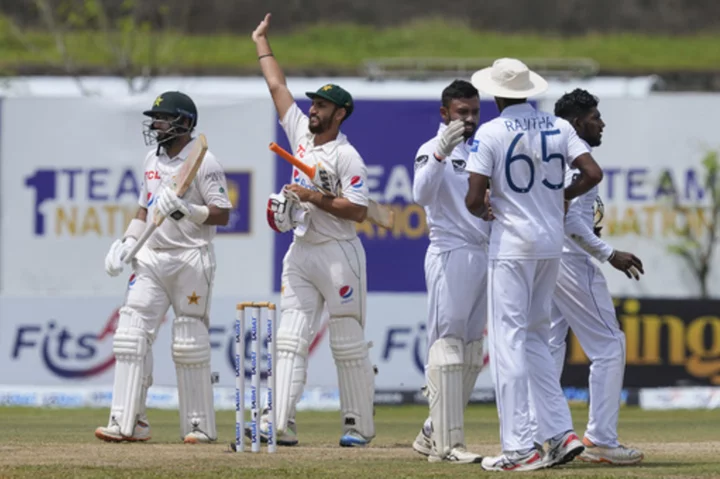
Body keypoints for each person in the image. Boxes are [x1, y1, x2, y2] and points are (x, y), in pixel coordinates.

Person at [464, 58, 604, 472]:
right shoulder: (559, 127)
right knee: (536, 340)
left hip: (512, 246)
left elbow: (473, 199)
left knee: (507, 343)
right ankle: (560, 433)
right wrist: (562, 197)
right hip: (549, 244)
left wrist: (488, 209)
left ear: (497, 93)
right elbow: (592, 172)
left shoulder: (490, 131)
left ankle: (519, 448)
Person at [251, 13, 376, 448]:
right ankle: (278, 423)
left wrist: (313, 197)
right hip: (301, 250)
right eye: (315, 105)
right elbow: (277, 88)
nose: (314, 110)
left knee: (346, 341)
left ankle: (358, 425)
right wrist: (261, 42)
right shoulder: (300, 131)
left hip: (340, 254)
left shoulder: (348, 157)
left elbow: (358, 212)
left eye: (322, 107)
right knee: (289, 339)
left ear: (340, 114)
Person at [96, 91, 232, 444]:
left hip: (190, 258)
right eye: (155, 119)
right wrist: (128, 241)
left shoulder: (206, 162)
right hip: (152, 258)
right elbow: (145, 209)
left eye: (163, 119)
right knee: (130, 335)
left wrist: (190, 211)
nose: (156, 125)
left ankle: (198, 425)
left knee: (189, 341)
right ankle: (129, 421)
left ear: (185, 122)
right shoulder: (150, 161)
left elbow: (224, 213)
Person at [528, 88, 644, 465]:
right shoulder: (577, 162)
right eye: (595, 116)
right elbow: (572, 221)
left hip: (548, 260)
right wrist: (610, 254)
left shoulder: (555, 156)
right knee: (610, 346)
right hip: (570, 262)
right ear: (577, 122)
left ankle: (539, 434)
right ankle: (601, 440)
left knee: (550, 345)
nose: (602, 122)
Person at [409, 80, 490, 463]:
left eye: (474, 111)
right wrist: (442, 152)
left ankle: (431, 430)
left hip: (484, 253)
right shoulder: (431, 149)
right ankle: (446, 445)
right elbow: (420, 195)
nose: (470, 119)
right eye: (462, 112)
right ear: (445, 114)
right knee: (448, 348)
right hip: (450, 252)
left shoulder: (482, 150)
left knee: (473, 352)